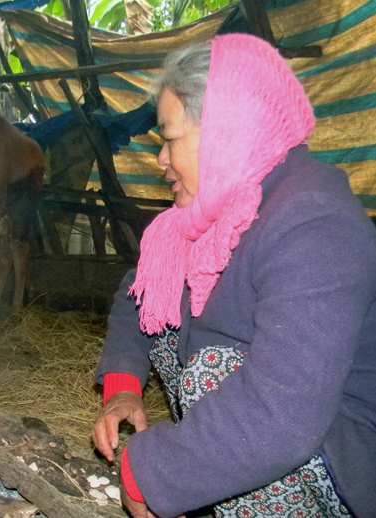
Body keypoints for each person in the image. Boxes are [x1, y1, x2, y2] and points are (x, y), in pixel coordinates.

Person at [93, 33, 376, 518]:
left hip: (340, 459)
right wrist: (123, 386)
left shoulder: (316, 223)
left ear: (226, 128)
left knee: (215, 373)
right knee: (169, 307)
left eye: (169, 137)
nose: (161, 159)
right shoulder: (212, 214)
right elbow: (137, 295)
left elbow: (281, 411)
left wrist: (155, 474)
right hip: (280, 432)